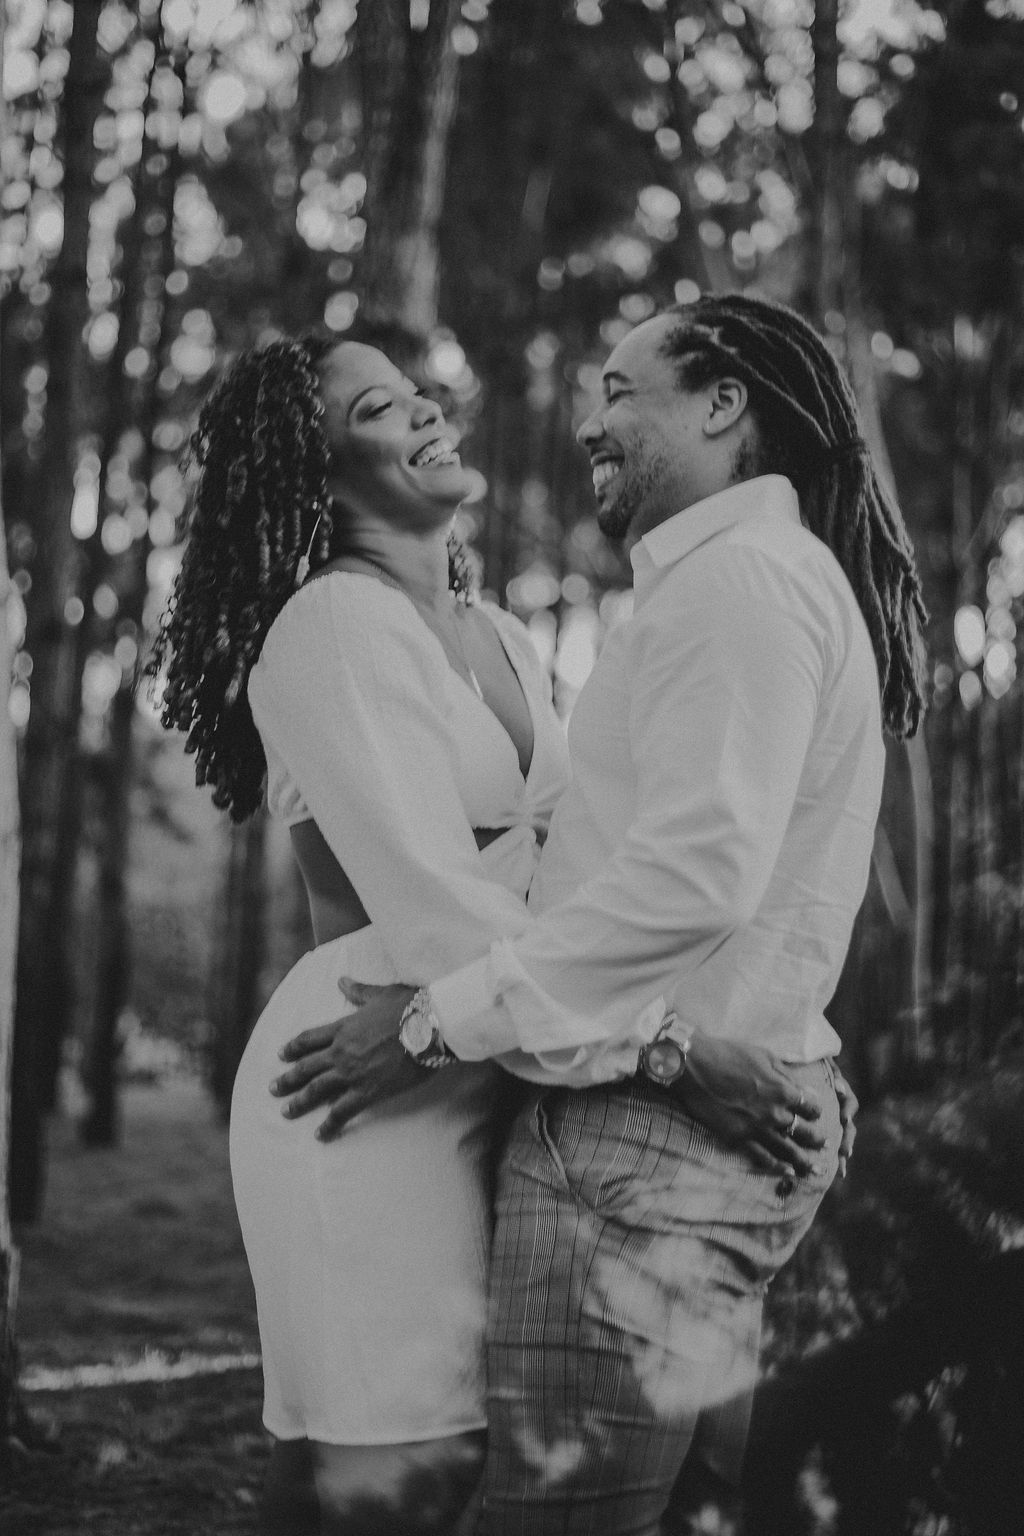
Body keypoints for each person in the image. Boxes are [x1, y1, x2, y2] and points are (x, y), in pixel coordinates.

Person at [149, 321, 825, 1536]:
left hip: (487, 1057)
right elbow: (438, 911)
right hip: (367, 1069)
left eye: (413, 393)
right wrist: (671, 1047)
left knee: (432, 1470)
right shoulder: (329, 629)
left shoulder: (503, 639)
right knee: (392, 1475)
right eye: (373, 413)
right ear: (316, 476)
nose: (420, 412)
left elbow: (577, 867)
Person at [273, 292, 927, 1534]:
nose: (590, 423)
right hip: (667, 1110)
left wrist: (430, 1022)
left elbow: (692, 880)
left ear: (724, 406)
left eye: (622, 392)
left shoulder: (734, 585)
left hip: (631, 1156)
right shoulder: (747, 581)